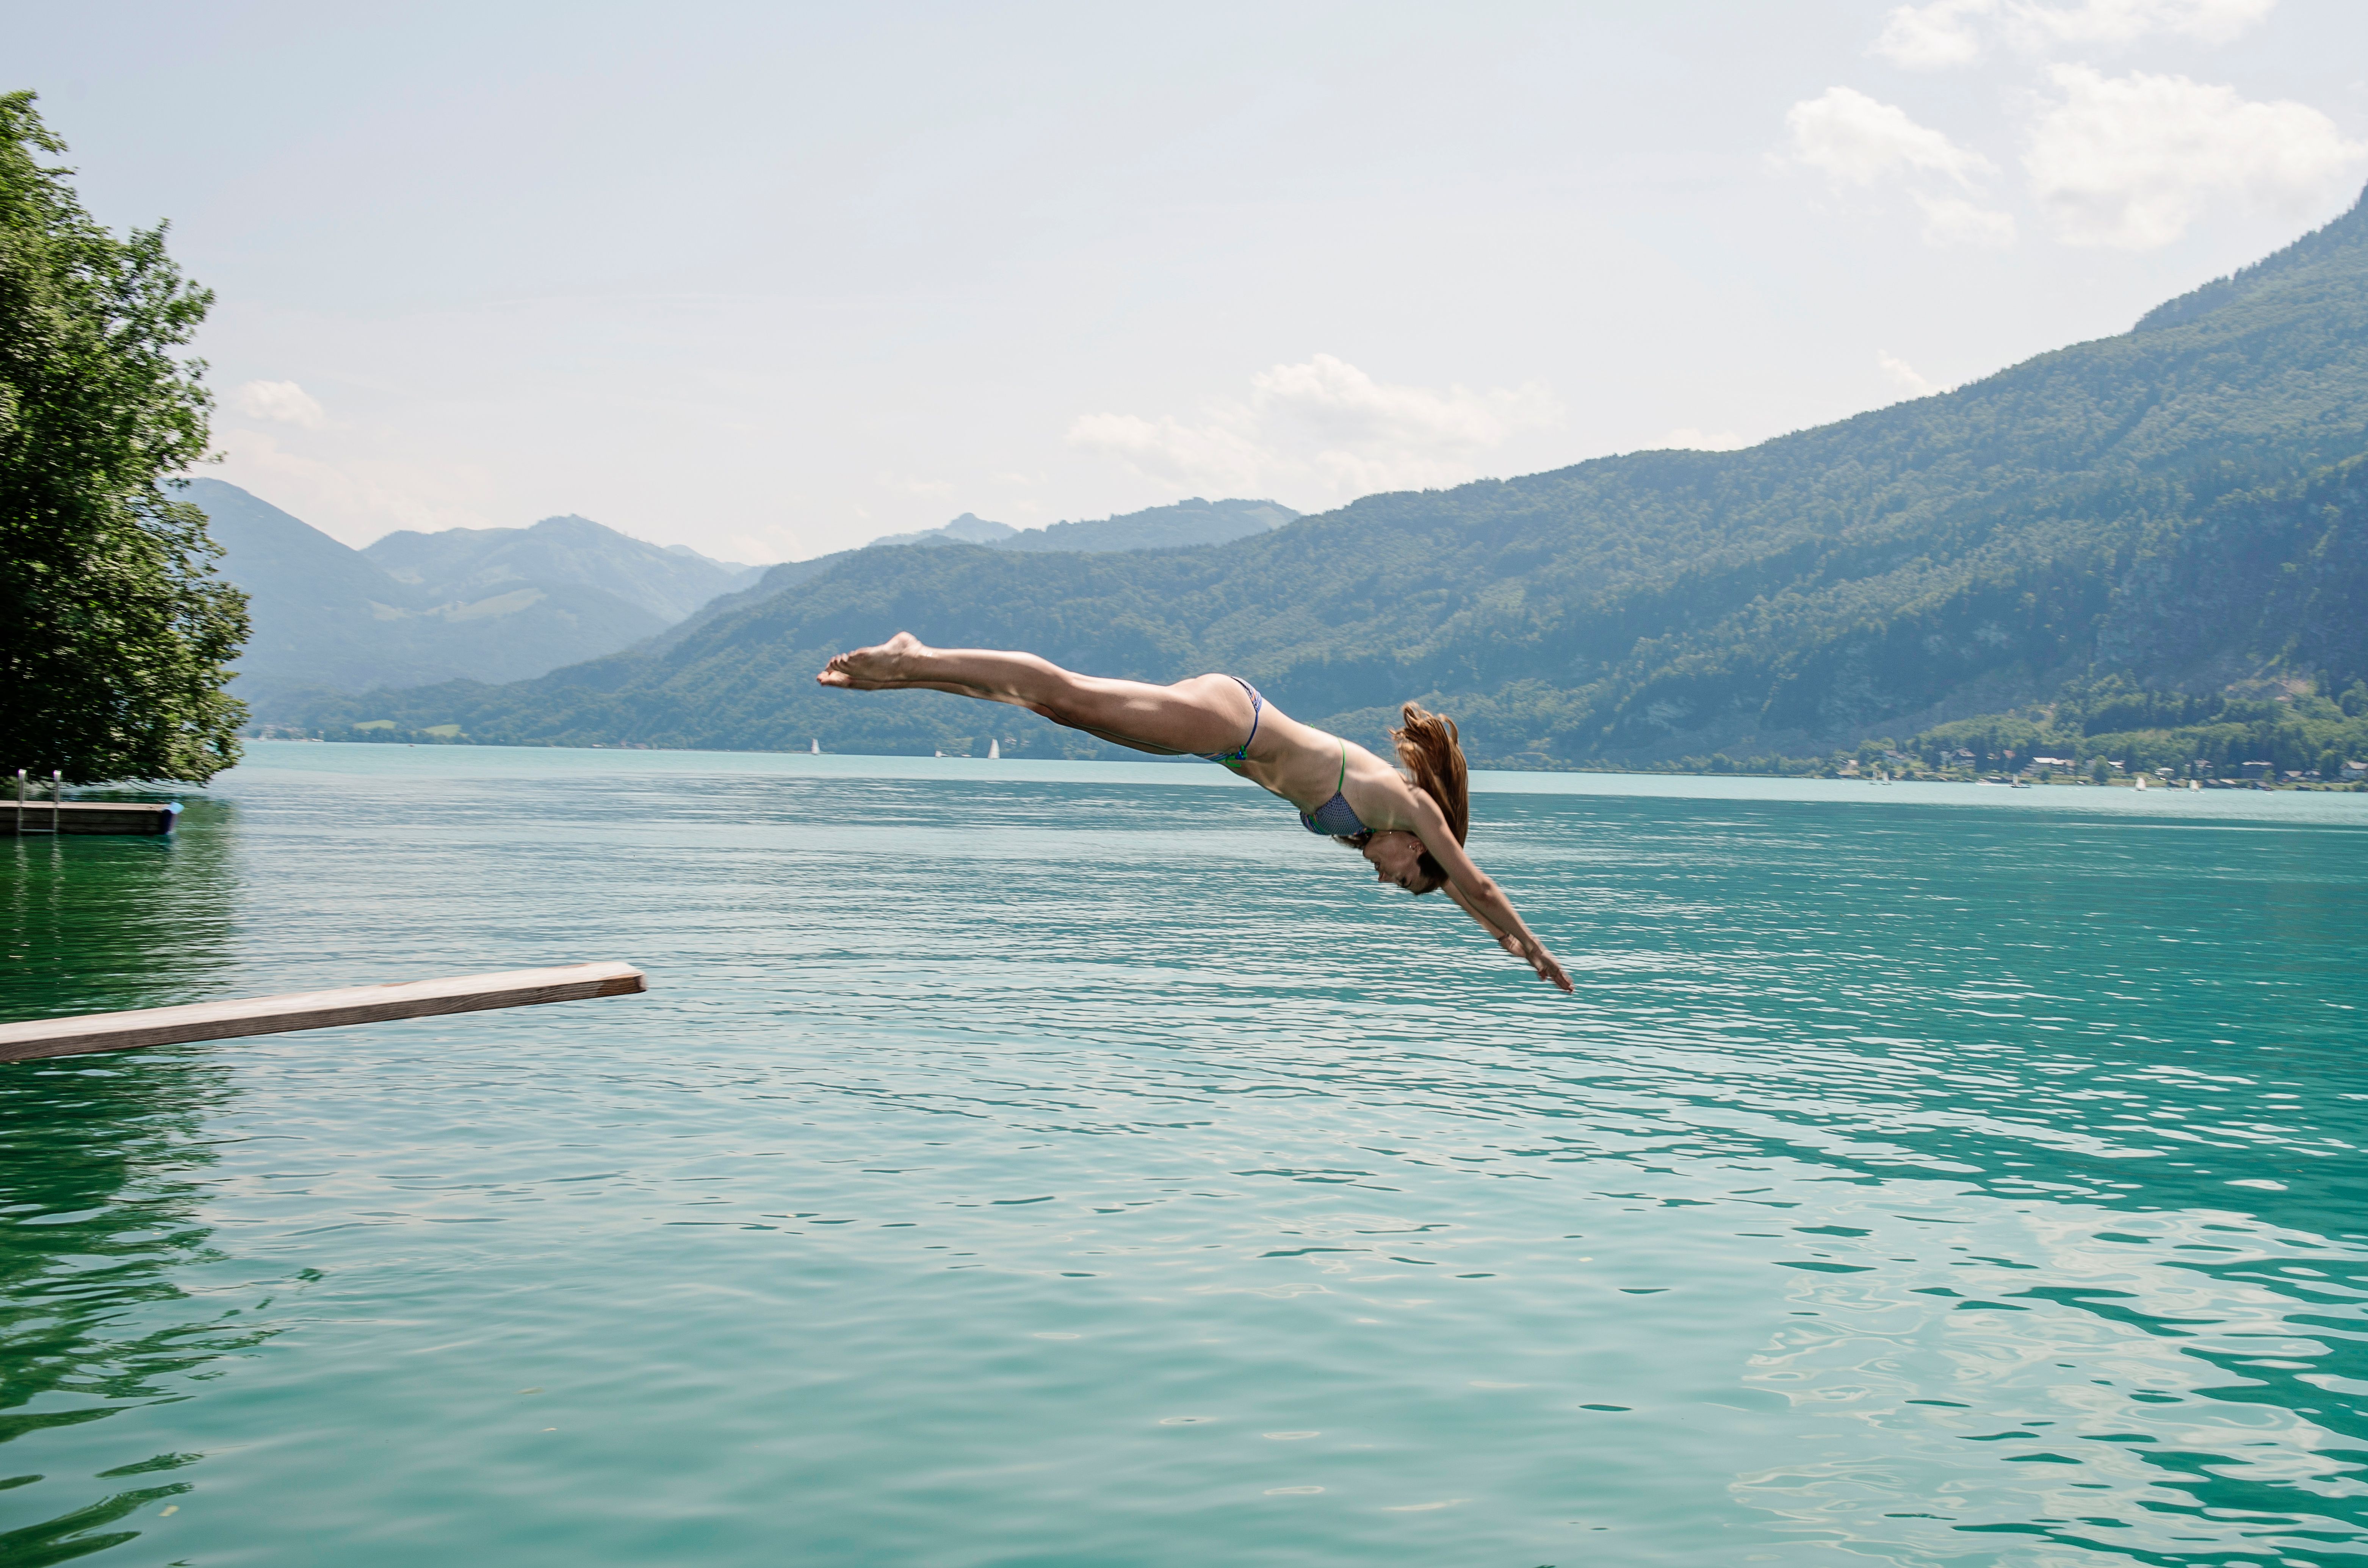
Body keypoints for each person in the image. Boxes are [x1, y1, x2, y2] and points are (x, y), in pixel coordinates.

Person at [818, 633, 1573, 991]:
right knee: (1068, 693)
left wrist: (1495, 941)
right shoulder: (1400, 802)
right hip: (1229, 723)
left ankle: (910, 675)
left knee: (1064, 713)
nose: (1386, 881)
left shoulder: (1375, 824)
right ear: (1421, 848)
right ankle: (911, 660)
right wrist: (1535, 946)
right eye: (1406, 880)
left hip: (1221, 732)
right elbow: (1474, 883)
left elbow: (1461, 896)